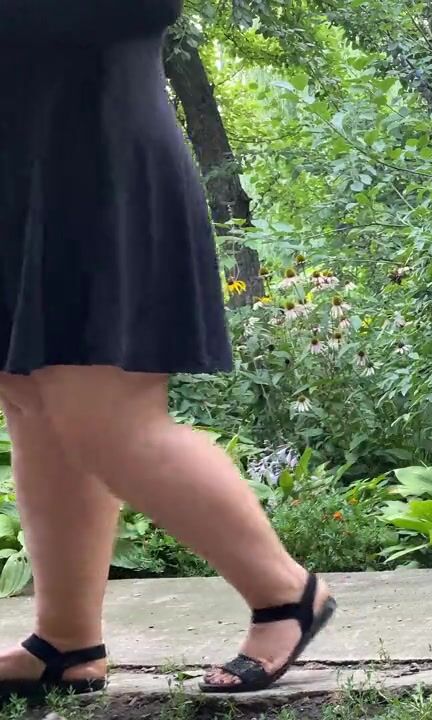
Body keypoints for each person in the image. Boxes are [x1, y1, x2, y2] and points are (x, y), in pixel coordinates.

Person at [0, 0, 335, 699]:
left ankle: (286, 593)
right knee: (33, 401)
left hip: (91, 153)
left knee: (106, 416)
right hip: (21, 158)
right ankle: (66, 642)